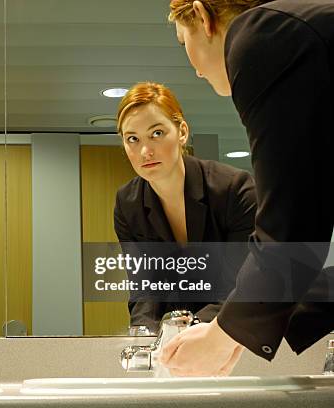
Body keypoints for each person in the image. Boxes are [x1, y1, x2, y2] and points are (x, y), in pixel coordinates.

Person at [160, 0, 334, 376]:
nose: (192, 67)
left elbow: (293, 226)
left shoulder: (260, 34)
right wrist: (235, 328)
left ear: (202, 16)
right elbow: (307, 226)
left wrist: (225, 334)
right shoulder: (301, 32)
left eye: (181, 40)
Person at [114, 81, 256, 333]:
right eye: (132, 139)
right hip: (175, 338)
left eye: (157, 133)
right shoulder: (128, 204)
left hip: (236, 333)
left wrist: (190, 332)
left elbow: (240, 287)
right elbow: (144, 289)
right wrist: (143, 337)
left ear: (182, 132)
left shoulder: (234, 189)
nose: (145, 150)